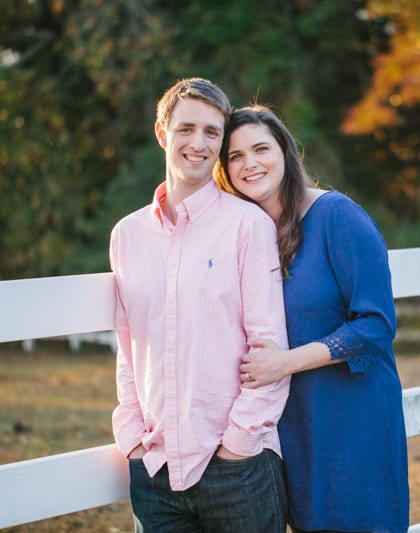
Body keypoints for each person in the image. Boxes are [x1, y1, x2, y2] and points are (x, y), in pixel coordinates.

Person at [216, 105, 410, 533]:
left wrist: (286, 362)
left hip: (352, 417)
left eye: (261, 148)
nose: (250, 164)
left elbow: (376, 325)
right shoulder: (247, 235)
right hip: (293, 427)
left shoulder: (338, 216)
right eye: (235, 156)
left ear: (285, 151)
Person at [109, 79, 290, 532]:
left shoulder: (247, 225)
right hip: (155, 469)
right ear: (161, 132)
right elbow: (129, 348)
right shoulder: (127, 236)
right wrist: (132, 438)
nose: (199, 143)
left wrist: (237, 446)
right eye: (186, 128)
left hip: (238, 467)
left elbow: (269, 345)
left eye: (212, 132)